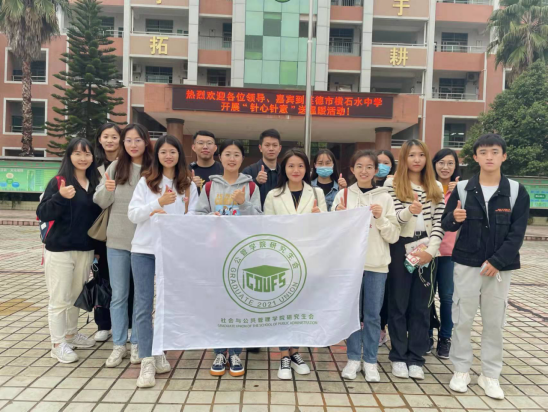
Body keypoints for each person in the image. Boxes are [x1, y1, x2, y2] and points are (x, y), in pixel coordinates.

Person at [442, 134, 529, 400]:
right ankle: (461, 370)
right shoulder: (462, 189)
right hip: (467, 264)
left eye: (494, 151)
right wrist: (455, 218)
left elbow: (517, 233)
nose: (489, 156)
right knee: (462, 320)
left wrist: (497, 261)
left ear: (504, 156)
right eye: (483, 152)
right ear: (475, 157)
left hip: (499, 269)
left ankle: (490, 375)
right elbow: (446, 223)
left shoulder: (516, 191)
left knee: (494, 323)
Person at [128, 135, 198, 388]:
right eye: (163, 152)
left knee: (167, 304)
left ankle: (159, 351)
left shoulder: (187, 185)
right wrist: (157, 203)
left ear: (180, 155)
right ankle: (146, 360)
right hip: (144, 250)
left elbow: (193, 218)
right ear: (156, 155)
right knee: (143, 305)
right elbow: (133, 215)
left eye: (173, 152)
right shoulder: (147, 182)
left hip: (172, 252)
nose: (168, 156)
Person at [195, 139, 261, 377]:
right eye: (227, 154)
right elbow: (197, 215)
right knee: (217, 303)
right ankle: (218, 352)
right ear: (220, 157)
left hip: (242, 254)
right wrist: (209, 217)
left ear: (242, 159)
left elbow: (260, 219)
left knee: (237, 304)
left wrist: (244, 204)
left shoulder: (251, 187)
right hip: (216, 251)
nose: (232, 159)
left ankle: (234, 352)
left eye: (236, 155)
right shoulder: (209, 187)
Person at [332, 150, 400, 382]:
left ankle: (370, 361)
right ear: (352, 169)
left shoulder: (385, 197)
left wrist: (380, 218)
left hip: (376, 264)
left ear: (376, 170)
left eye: (369, 167)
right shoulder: (343, 195)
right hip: (349, 266)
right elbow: (331, 234)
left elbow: (393, 236)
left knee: (372, 315)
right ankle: (353, 358)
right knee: (352, 314)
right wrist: (338, 218)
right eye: (359, 166)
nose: (364, 171)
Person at [94, 124, 154, 368]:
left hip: (145, 242)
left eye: (138, 140)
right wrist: (107, 190)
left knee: (142, 297)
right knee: (118, 295)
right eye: (128, 140)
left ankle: (138, 342)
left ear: (146, 142)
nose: (133, 144)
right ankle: (119, 344)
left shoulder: (154, 167)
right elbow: (100, 201)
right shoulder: (116, 166)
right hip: (117, 240)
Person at [37, 138, 102, 363]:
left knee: (76, 296)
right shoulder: (59, 182)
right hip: (60, 250)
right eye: (77, 153)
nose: (83, 158)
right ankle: (57, 344)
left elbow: (97, 219)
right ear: (69, 156)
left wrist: (97, 250)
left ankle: (71, 335)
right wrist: (60, 197)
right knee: (59, 299)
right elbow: (42, 212)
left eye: (87, 154)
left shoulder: (95, 182)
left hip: (85, 250)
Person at [263, 148, 327, 379]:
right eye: (291, 165)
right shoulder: (273, 195)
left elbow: (326, 228)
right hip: (281, 259)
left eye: (300, 165)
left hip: (308, 258)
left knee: (301, 307)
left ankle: (295, 352)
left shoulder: (317, 193)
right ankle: (283, 355)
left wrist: (319, 218)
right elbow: (267, 228)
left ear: (307, 169)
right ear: (284, 169)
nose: (296, 170)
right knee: (283, 307)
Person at [384, 139, 445, 380]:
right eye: (411, 155)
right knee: (398, 304)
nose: (416, 159)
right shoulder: (392, 184)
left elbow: (440, 221)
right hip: (400, 247)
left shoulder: (435, 186)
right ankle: (398, 356)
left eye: (421, 155)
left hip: (427, 248)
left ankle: (416, 358)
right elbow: (392, 220)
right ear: (403, 159)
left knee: (421, 306)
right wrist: (409, 211)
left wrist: (431, 250)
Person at [429, 148, 461, 359]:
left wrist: (459, 193)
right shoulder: (427, 187)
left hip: (450, 253)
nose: (445, 167)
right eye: (441, 162)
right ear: (434, 165)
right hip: (428, 251)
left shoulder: (462, 189)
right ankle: (425, 334)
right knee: (426, 297)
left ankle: (445, 338)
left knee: (448, 297)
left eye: (450, 163)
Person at [92, 123, 122, 342]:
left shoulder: (129, 164)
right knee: (101, 277)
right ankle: (103, 324)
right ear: (99, 139)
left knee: (124, 279)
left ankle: (125, 323)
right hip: (99, 229)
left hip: (123, 227)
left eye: (114, 137)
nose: (110, 140)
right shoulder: (92, 166)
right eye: (106, 136)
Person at [376, 149, 397, 346]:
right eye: (378, 162)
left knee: (385, 291)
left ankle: (382, 328)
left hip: (390, 246)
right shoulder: (359, 188)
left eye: (386, 163)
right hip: (368, 250)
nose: (381, 166)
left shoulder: (395, 186)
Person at [242, 129, 283, 209]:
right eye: (267, 145)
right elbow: (241, 196)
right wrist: (256, 182)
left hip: (280, 215)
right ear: (260, 148)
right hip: (256, 215)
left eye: (275, 145)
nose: (271, 148)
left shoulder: (284, 173)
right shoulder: (249, 171)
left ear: (280, 148)